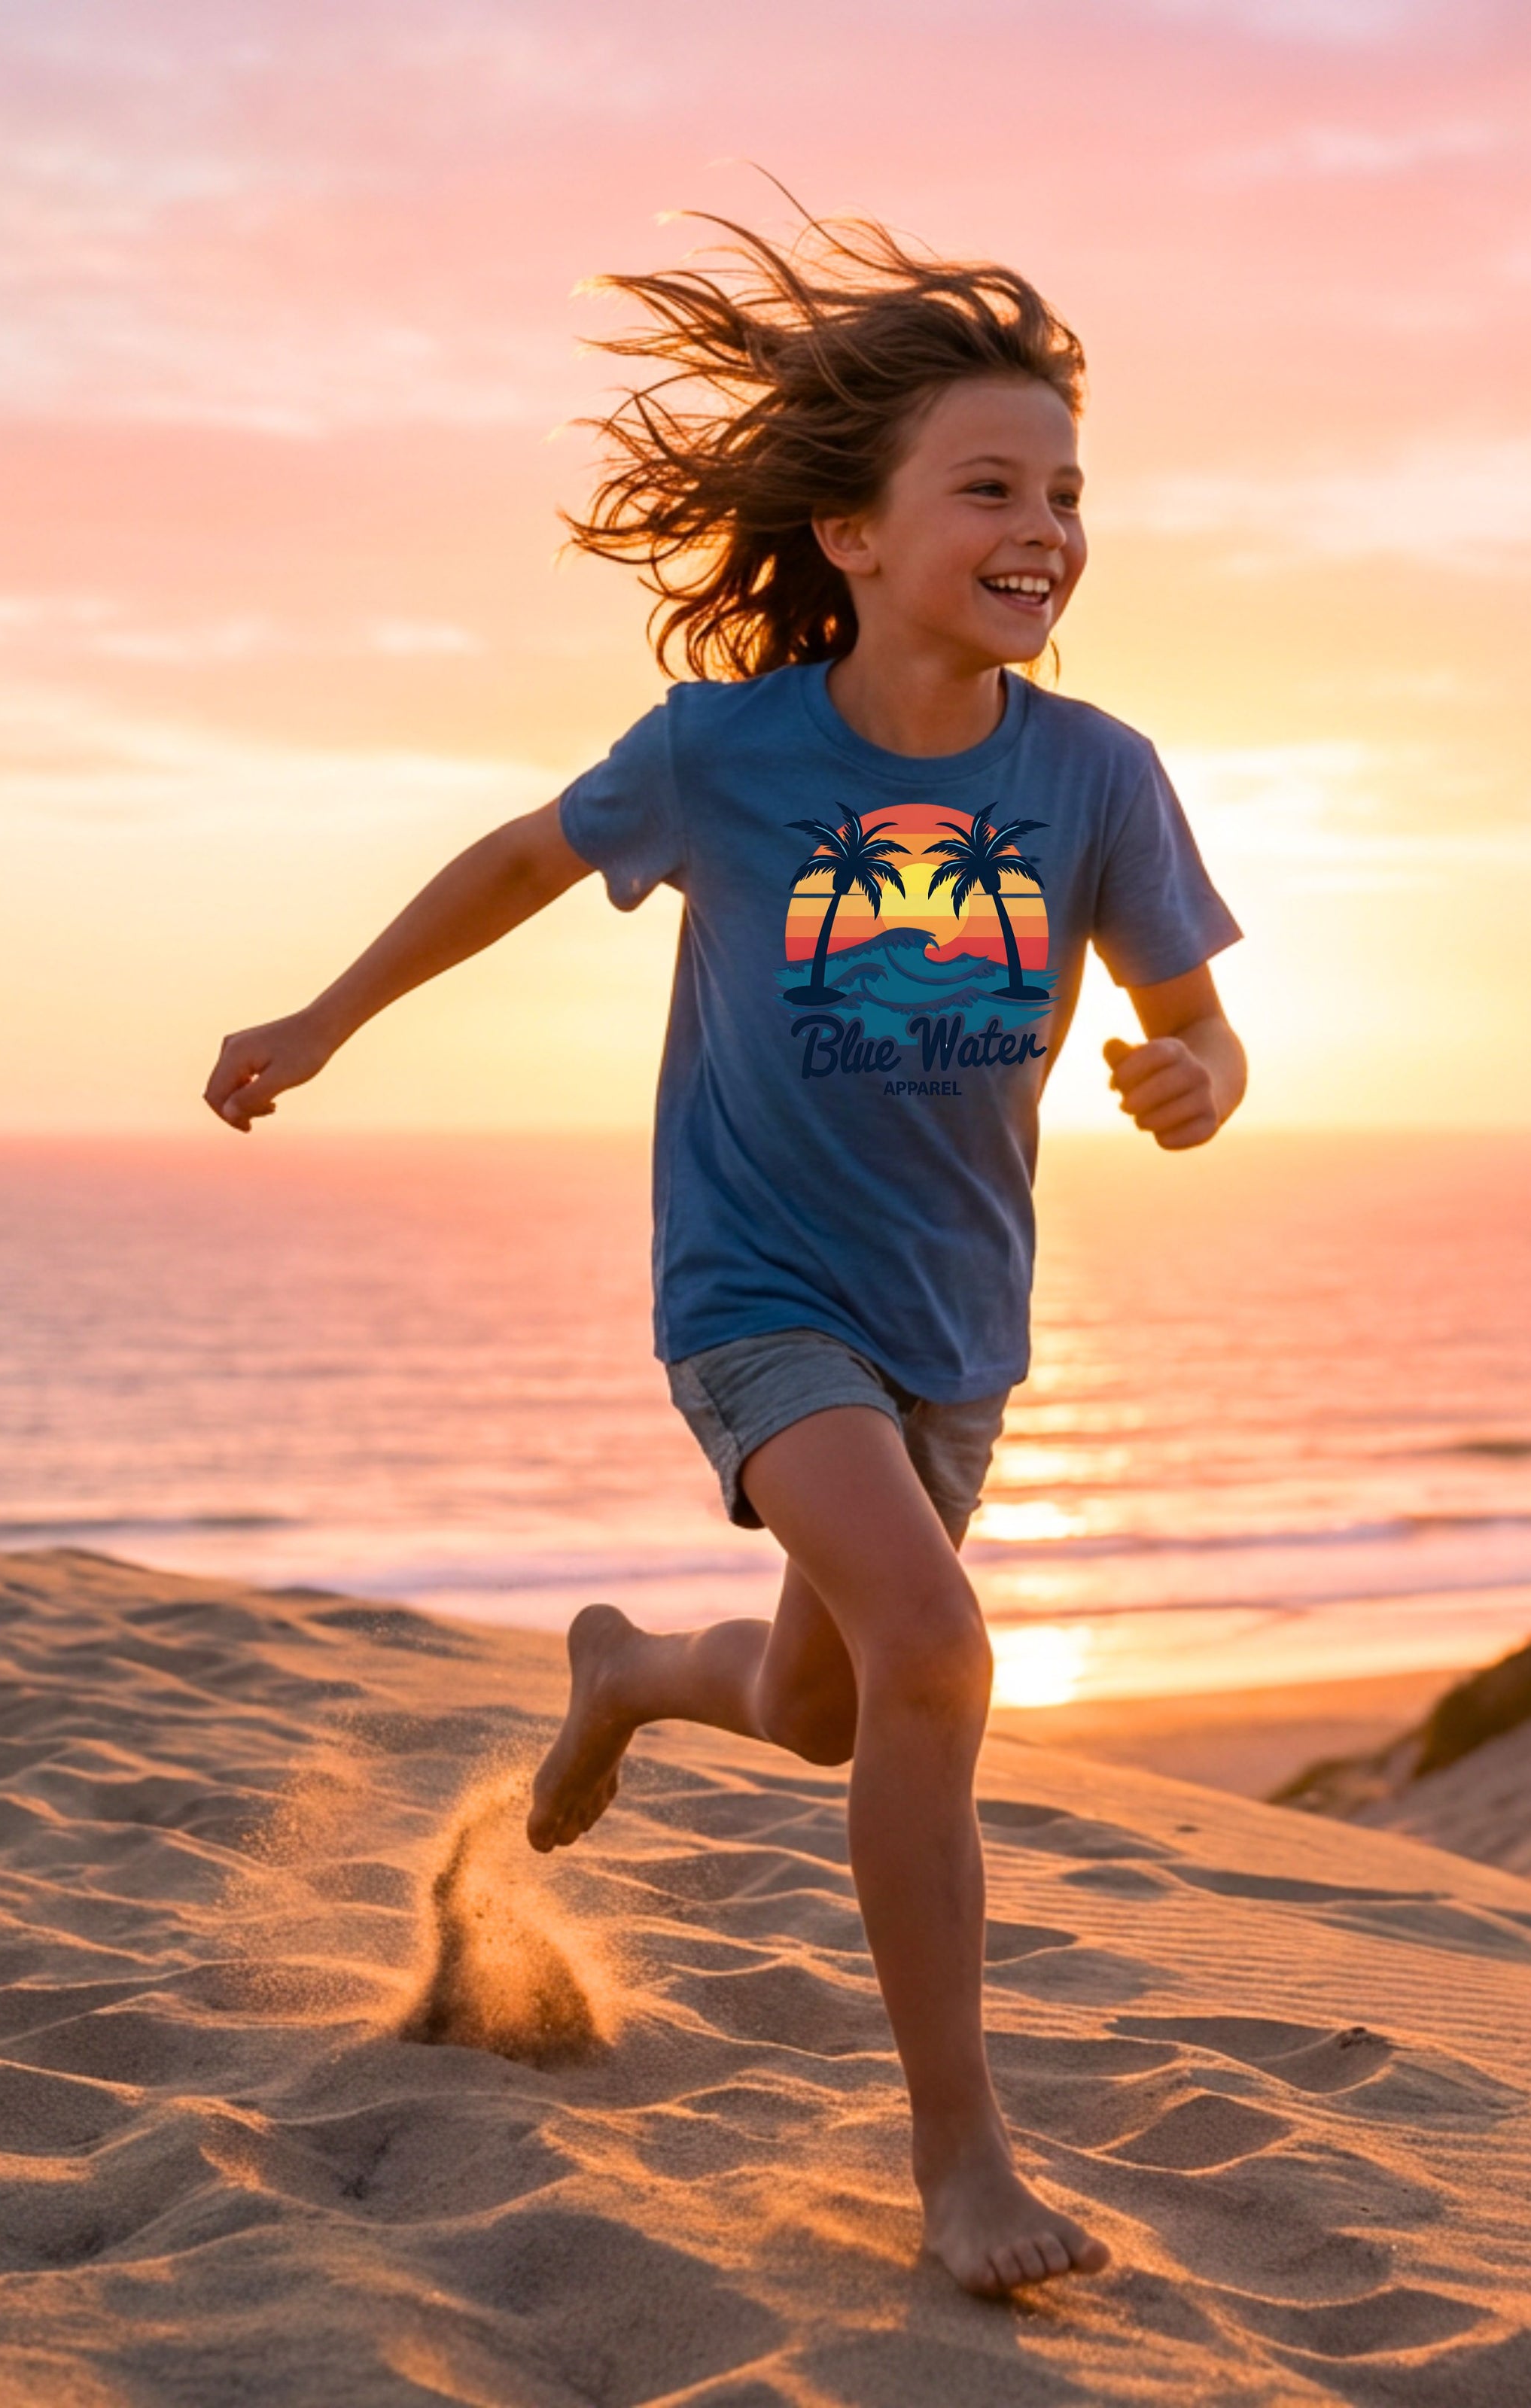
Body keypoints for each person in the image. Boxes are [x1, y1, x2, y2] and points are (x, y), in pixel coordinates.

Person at [202, 213, 1245, 2297]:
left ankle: (629, 1675)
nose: (1043, 527)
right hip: (760, 1295)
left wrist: (1201, 1072)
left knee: (830, 1709)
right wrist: (319, 1020)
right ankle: (962, 2161)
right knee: (943, 1657)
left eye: (1066, 494)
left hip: (960, 1322)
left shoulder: (1099, 775)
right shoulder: (731, 754)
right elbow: (517, 860)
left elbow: (1197, 1013)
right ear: (852, 534)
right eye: (990, 487)